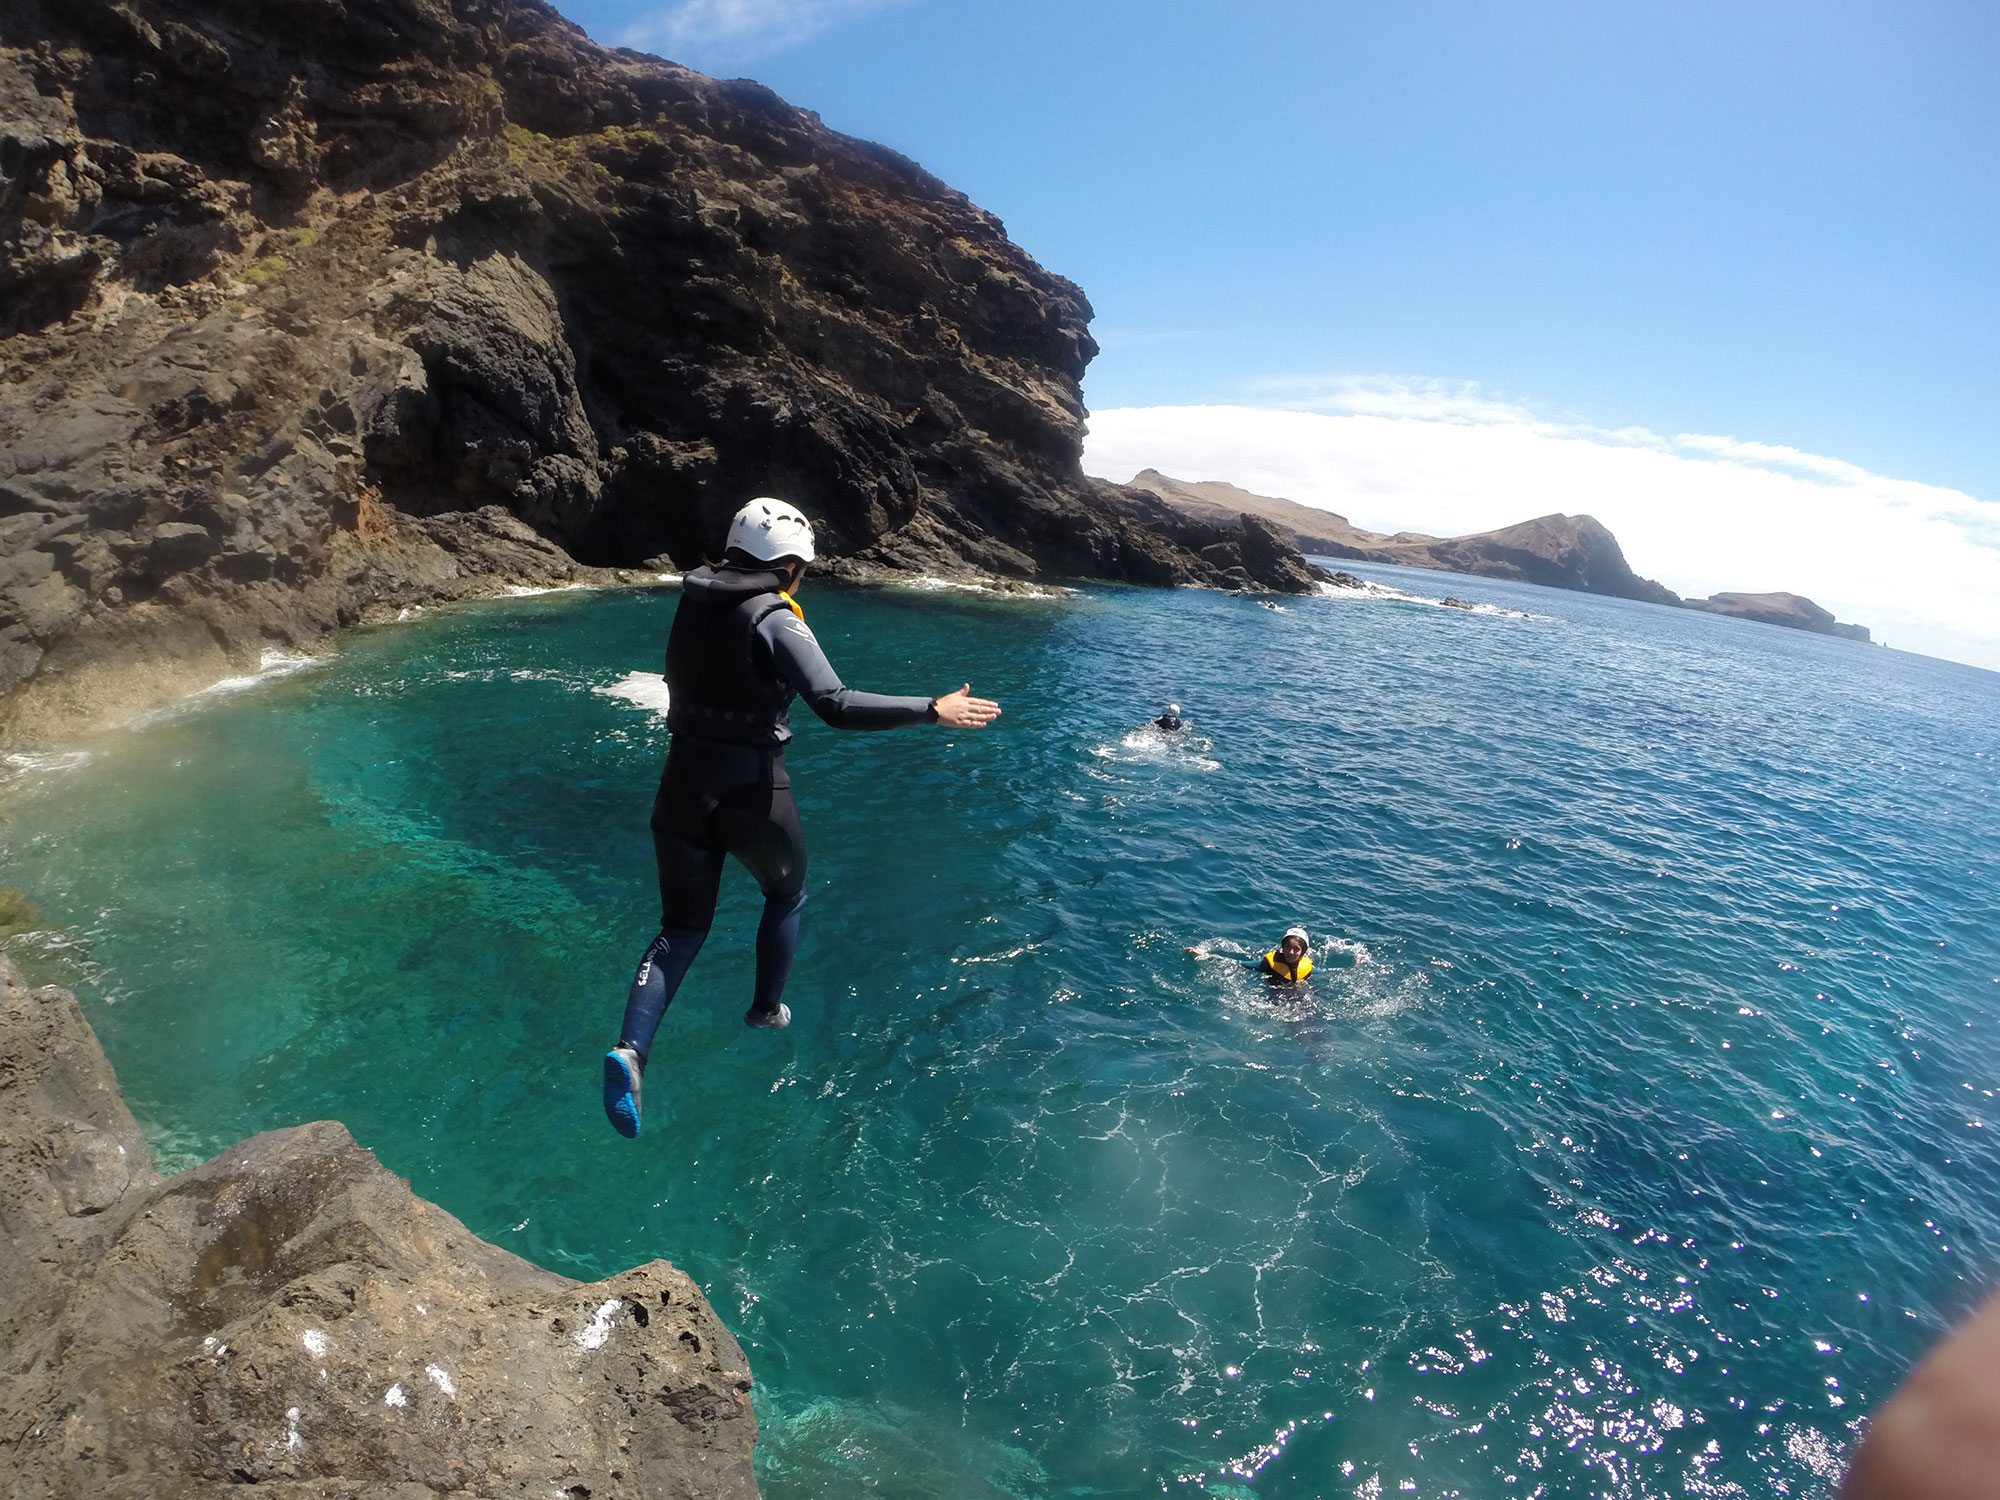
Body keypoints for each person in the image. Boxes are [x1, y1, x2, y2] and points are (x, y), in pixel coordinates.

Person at [603, 497, 1001, 1138]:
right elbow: (835, 704)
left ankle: (630, 1050)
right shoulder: (775, 619)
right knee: (786, 894)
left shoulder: (694, 598)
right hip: (750, 793)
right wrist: (931, 709)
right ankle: (765, 1010)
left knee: (680, 927)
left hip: (679, 790)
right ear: (789, 566)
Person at [1184, 925, 1316, 985]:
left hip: (1303, 993)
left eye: (1296, 949)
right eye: (1288, 947)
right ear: (1282, 947)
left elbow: (1326, 971)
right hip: (1279, 995)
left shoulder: (1307, 967)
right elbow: (1239, 963)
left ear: (1303, 952)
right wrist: (1205, 955)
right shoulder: (1269, 964)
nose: (1291, 952)